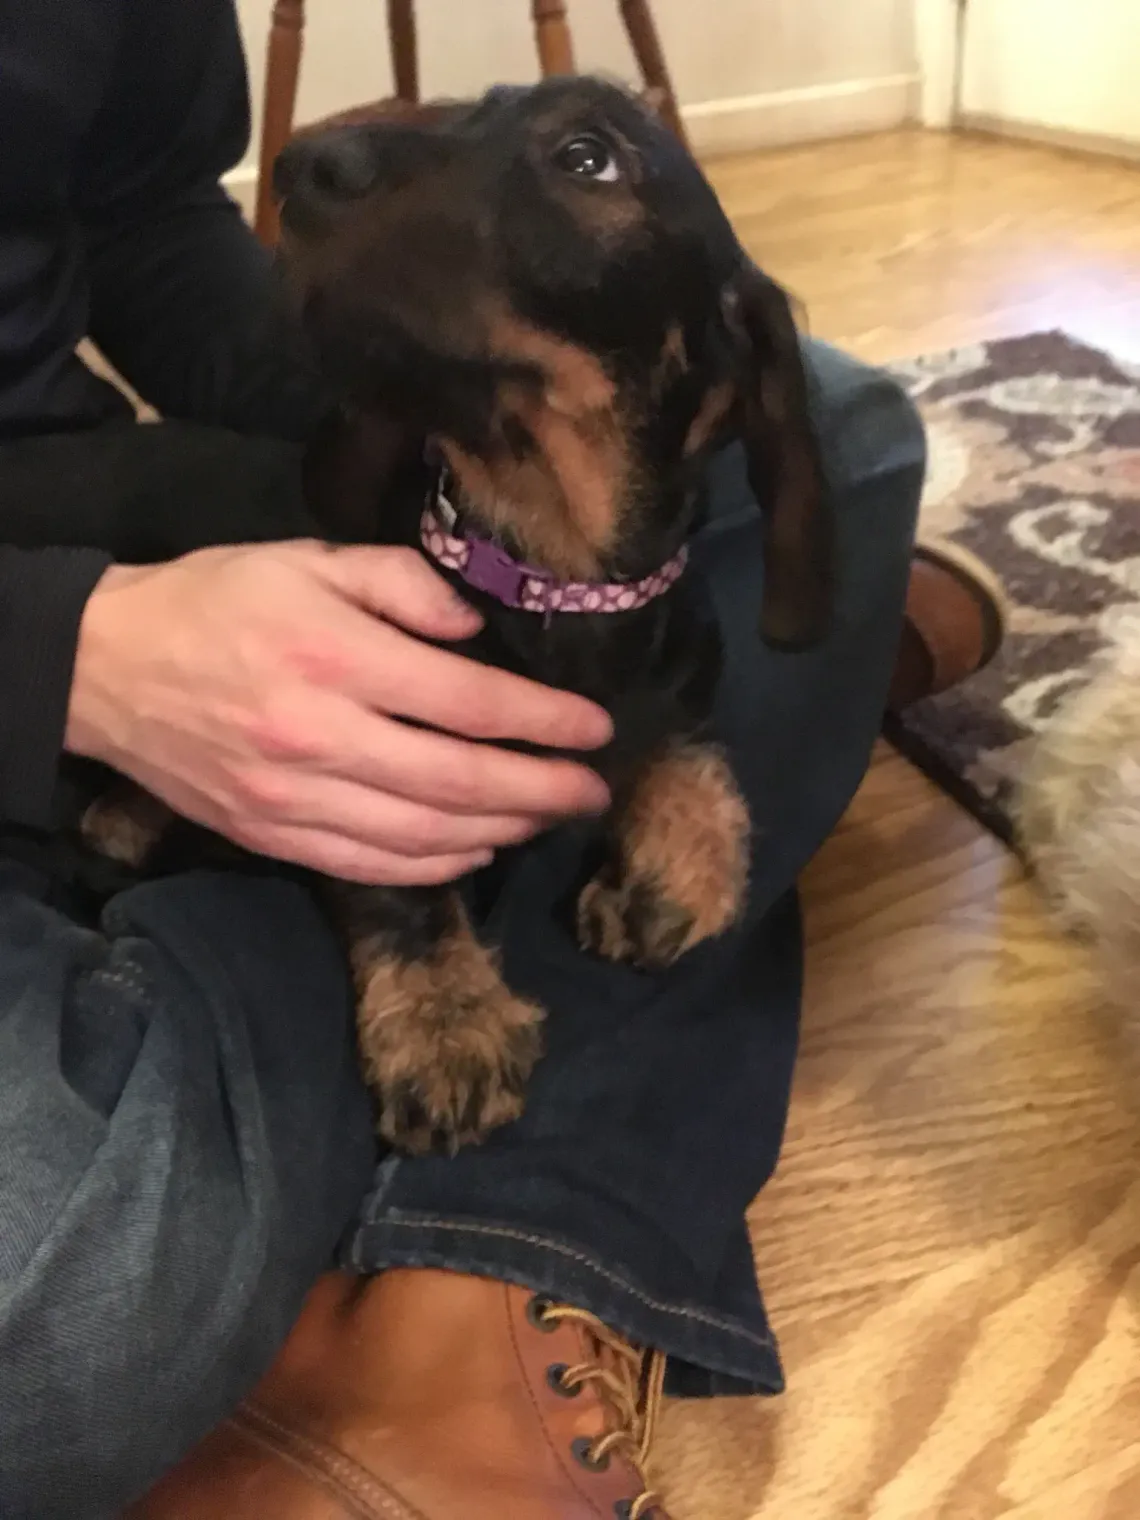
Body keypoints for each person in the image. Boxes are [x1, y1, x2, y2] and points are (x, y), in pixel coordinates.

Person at [0, 4, 1005, 1517]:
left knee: (850, 428)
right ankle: (481, 1082)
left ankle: (428, 1246)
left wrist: (397, 412)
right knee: (61, 1309)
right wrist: (65, 660)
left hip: (73, 470)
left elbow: (147, 211)